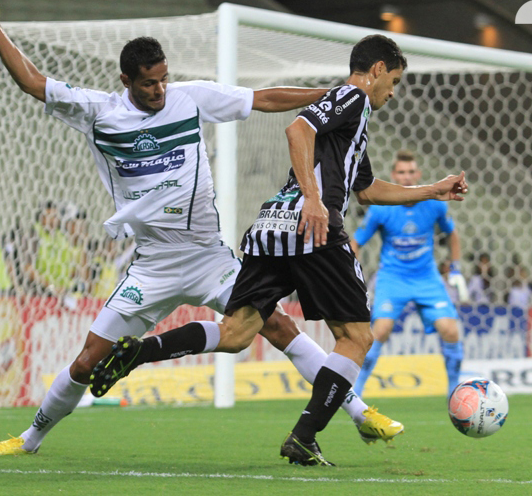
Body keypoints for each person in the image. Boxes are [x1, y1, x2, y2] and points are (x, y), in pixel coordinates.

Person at [0, 0, 401, 456]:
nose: (159, 90)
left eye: (162, 79)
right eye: (148, 84)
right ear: (126, 82)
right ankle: (29, 439)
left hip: (207, 256)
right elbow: (33, 81)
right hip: (152, 264)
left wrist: (328, 96)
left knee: (278, 328)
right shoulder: (99, 112)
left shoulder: (189, 96)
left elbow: (262, 98)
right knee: (86, 363)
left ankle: (362, 413)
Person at [90, 34, 468, 466]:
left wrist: (433, 189)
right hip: (312, 224)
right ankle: (305, 435)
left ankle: (142, 351)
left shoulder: (354, 124)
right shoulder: (351, 95)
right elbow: (297, 128)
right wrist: (312, 196)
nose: (393, 92)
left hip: (273, 225)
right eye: (395, 80)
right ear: (377, 70)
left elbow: (365, 190)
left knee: (236, 333)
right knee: (357, 337)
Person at [349, 149, 466, 400]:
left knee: (451, 330)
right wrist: (354, 273)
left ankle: (454, 390)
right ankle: (355, 390)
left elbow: (452, 235)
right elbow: (356, 242)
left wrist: (455, 268)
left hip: (426, 276)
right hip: (393, 277)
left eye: (411, 171)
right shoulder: (381, 208)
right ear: (393, 175)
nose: (406, 176)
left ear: (419, 174)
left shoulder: (434, 204)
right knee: (380, 330)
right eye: (401, 172)